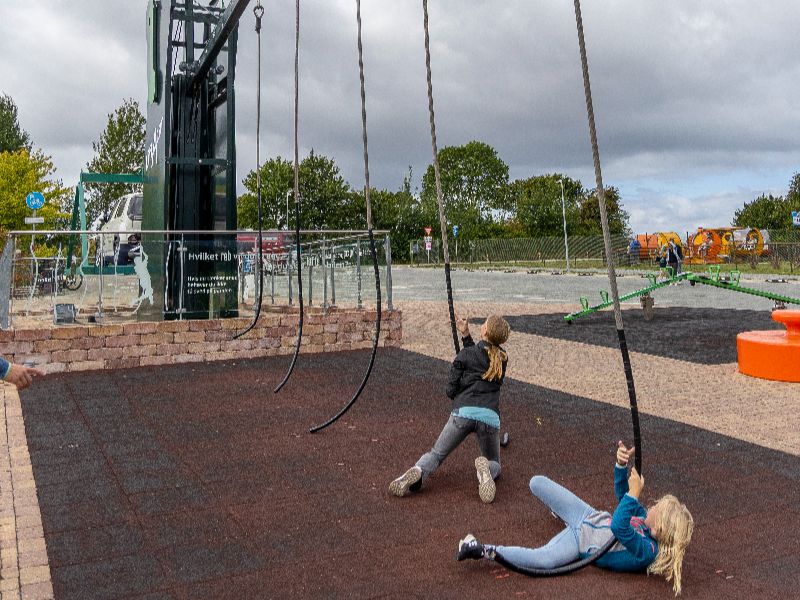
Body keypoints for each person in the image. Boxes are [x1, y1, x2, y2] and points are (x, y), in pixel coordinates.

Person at [457, 441, 693, 596]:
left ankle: (481, 549)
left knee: (544, 559)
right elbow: (623, 497)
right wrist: (620, 466)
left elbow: (620, 526)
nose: (651, 507)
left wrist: (633, 494)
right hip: (588, 514)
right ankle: (563, 514)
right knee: (536, 482)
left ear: (660, 525)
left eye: (657, 508)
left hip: (581, 542)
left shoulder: (648, 550)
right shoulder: (644, 520)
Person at [389, 313, 510, 503]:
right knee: (495, 462)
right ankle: (485, 468)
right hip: (489, 418)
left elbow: (450, 389)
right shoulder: (502, 359)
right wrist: (465, 335)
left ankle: (419, 470)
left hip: (463, 413)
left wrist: (462, 388)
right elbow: (480, 358)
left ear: (484, 330)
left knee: (436, 455)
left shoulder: (465, 355)